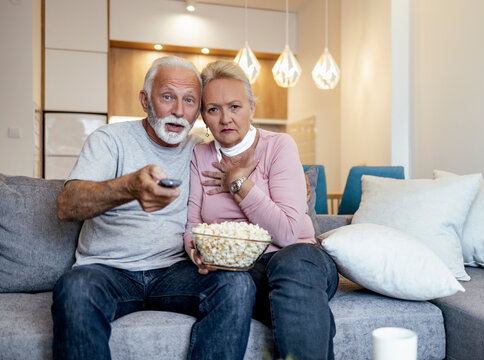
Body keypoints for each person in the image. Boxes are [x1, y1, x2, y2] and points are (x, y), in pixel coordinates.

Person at [52, 56, 255, 360]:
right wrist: (129, 187)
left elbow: (252, 168)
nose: (178, 111)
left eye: (189, 101)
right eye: (168, 97)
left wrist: (295, 183)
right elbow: (67, 206)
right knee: (74, 288)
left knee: (237, 284)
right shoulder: (110, 140)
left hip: (175, 271)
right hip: (108, 271)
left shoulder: (201, 149)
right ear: (145, 100)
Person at [185, 60, 339, 360]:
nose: (225, 118)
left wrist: (239, 183)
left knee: (293, 266)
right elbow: (192, 226)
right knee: (254, 293)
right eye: (213, 109)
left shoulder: (279, 145)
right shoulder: (199, 155)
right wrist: (197, 253)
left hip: (302, 261)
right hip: (242, 271)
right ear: (203, 116)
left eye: (235, 106)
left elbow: (287, 232)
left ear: (252, 108)